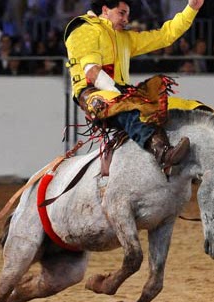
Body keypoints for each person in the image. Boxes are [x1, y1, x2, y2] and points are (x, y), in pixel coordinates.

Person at [64, 0, 205, 174]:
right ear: (105, 10)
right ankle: (163, 153)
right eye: (122, 13)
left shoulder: (124, 37)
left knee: (185, 107)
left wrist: (191, 9)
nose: (126, 19)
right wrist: (125, 97)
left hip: (122, 94)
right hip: (92, 94)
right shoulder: (84, 29)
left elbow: (165, 36)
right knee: (133, 108)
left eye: (127, 15)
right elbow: (92, 72)